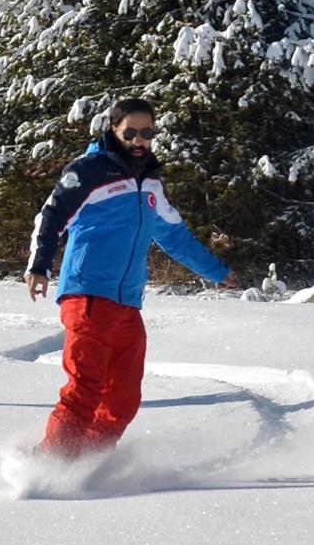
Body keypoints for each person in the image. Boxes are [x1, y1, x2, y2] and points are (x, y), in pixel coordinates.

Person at [25, 97, 238, 457]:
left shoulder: (150, 183)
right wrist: (39, 266)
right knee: (85, 387)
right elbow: (51, 216)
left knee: (123, 399)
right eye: (131, 132)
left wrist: (216, 272)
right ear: (114, 130)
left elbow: (174, 236)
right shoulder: (89, 170)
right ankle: (49, 463)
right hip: (88, 295)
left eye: (147, 132)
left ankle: (89, 462)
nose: (139, 140)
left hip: (126, 302)